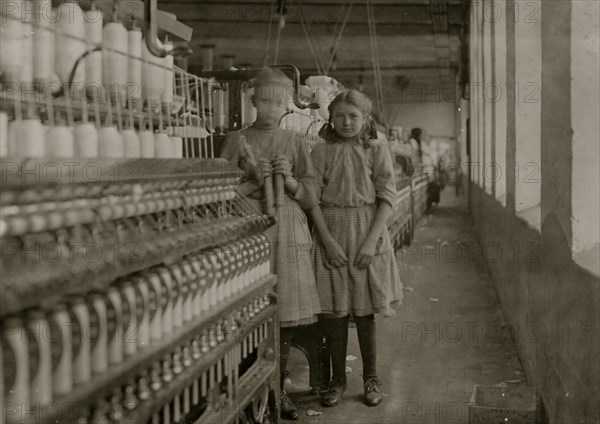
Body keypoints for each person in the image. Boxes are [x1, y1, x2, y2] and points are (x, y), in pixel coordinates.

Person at [220, 68, 321, 421]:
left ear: (289, 105)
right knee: (250, 311)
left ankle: (279, 387)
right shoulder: (236, 141)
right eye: (264, 100)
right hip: (249, 230)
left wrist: (290, 180)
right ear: (252, 101)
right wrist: (251, 181)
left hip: (289, 230)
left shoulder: (296, 142)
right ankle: (250, 390)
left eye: (279, 102)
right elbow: (219, 197)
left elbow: (310, 196)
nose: (271, 108)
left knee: (285, 313)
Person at [309, 90, 403, 408]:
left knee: (364, 314)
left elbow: (387, 196)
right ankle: (337, 380)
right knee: (335, 313)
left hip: (368, 229)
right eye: (339, 116)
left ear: (366, 119)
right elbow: (311, 200)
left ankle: (371, 378)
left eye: (354, 116)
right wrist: (326, 240)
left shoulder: (377, 148)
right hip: (331, 231)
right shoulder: (320, 151)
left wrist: (371, 241)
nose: (346, 122)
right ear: (330, 118)